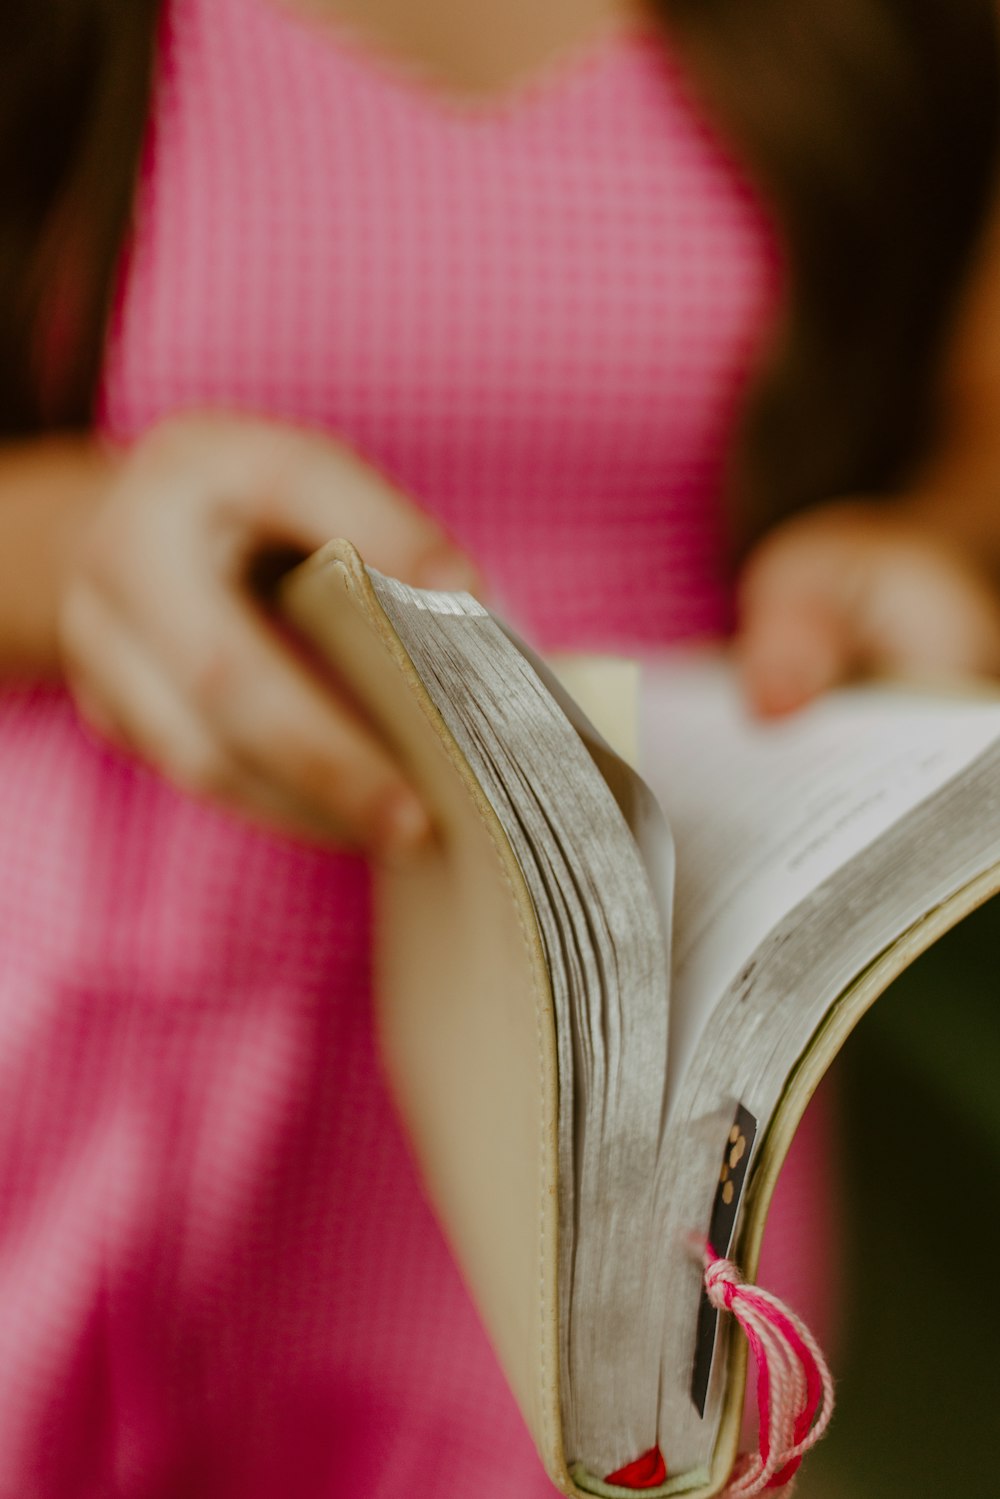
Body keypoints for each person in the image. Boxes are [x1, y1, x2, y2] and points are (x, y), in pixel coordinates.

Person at [1, 0, 1000, 1494]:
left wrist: (926, 547)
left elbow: (968, 424)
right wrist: (75, 540)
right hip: (99, 1044)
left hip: (631, 1116)